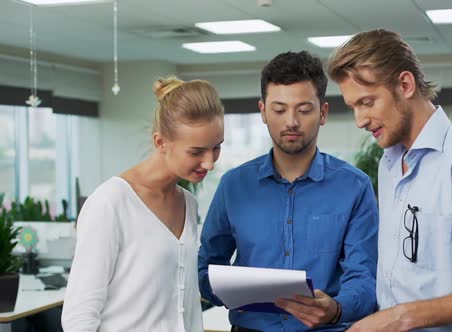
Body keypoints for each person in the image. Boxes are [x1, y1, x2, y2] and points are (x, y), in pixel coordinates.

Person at [327, 29, 452, 332]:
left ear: (405, 85)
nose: (360, 120)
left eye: (367, 102)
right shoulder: (389, 163)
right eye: (354, 107)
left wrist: (403, 318)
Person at [198, 51, 379, 331]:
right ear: (262, 112)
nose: (291, 121)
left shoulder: (355, 187)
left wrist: (336, 308)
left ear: (323, 113)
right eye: (279, 110)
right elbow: (207, 268)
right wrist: (228, 288)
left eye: (304, 110)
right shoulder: (233, 185)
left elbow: (364, 277)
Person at [62, 77, 224, 331]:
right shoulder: (110, 203)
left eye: (216, 148)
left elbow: (184, 303)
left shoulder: (188, 204)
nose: (209, 162)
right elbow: (79, 315)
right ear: (160, 142)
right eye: (196, 152)